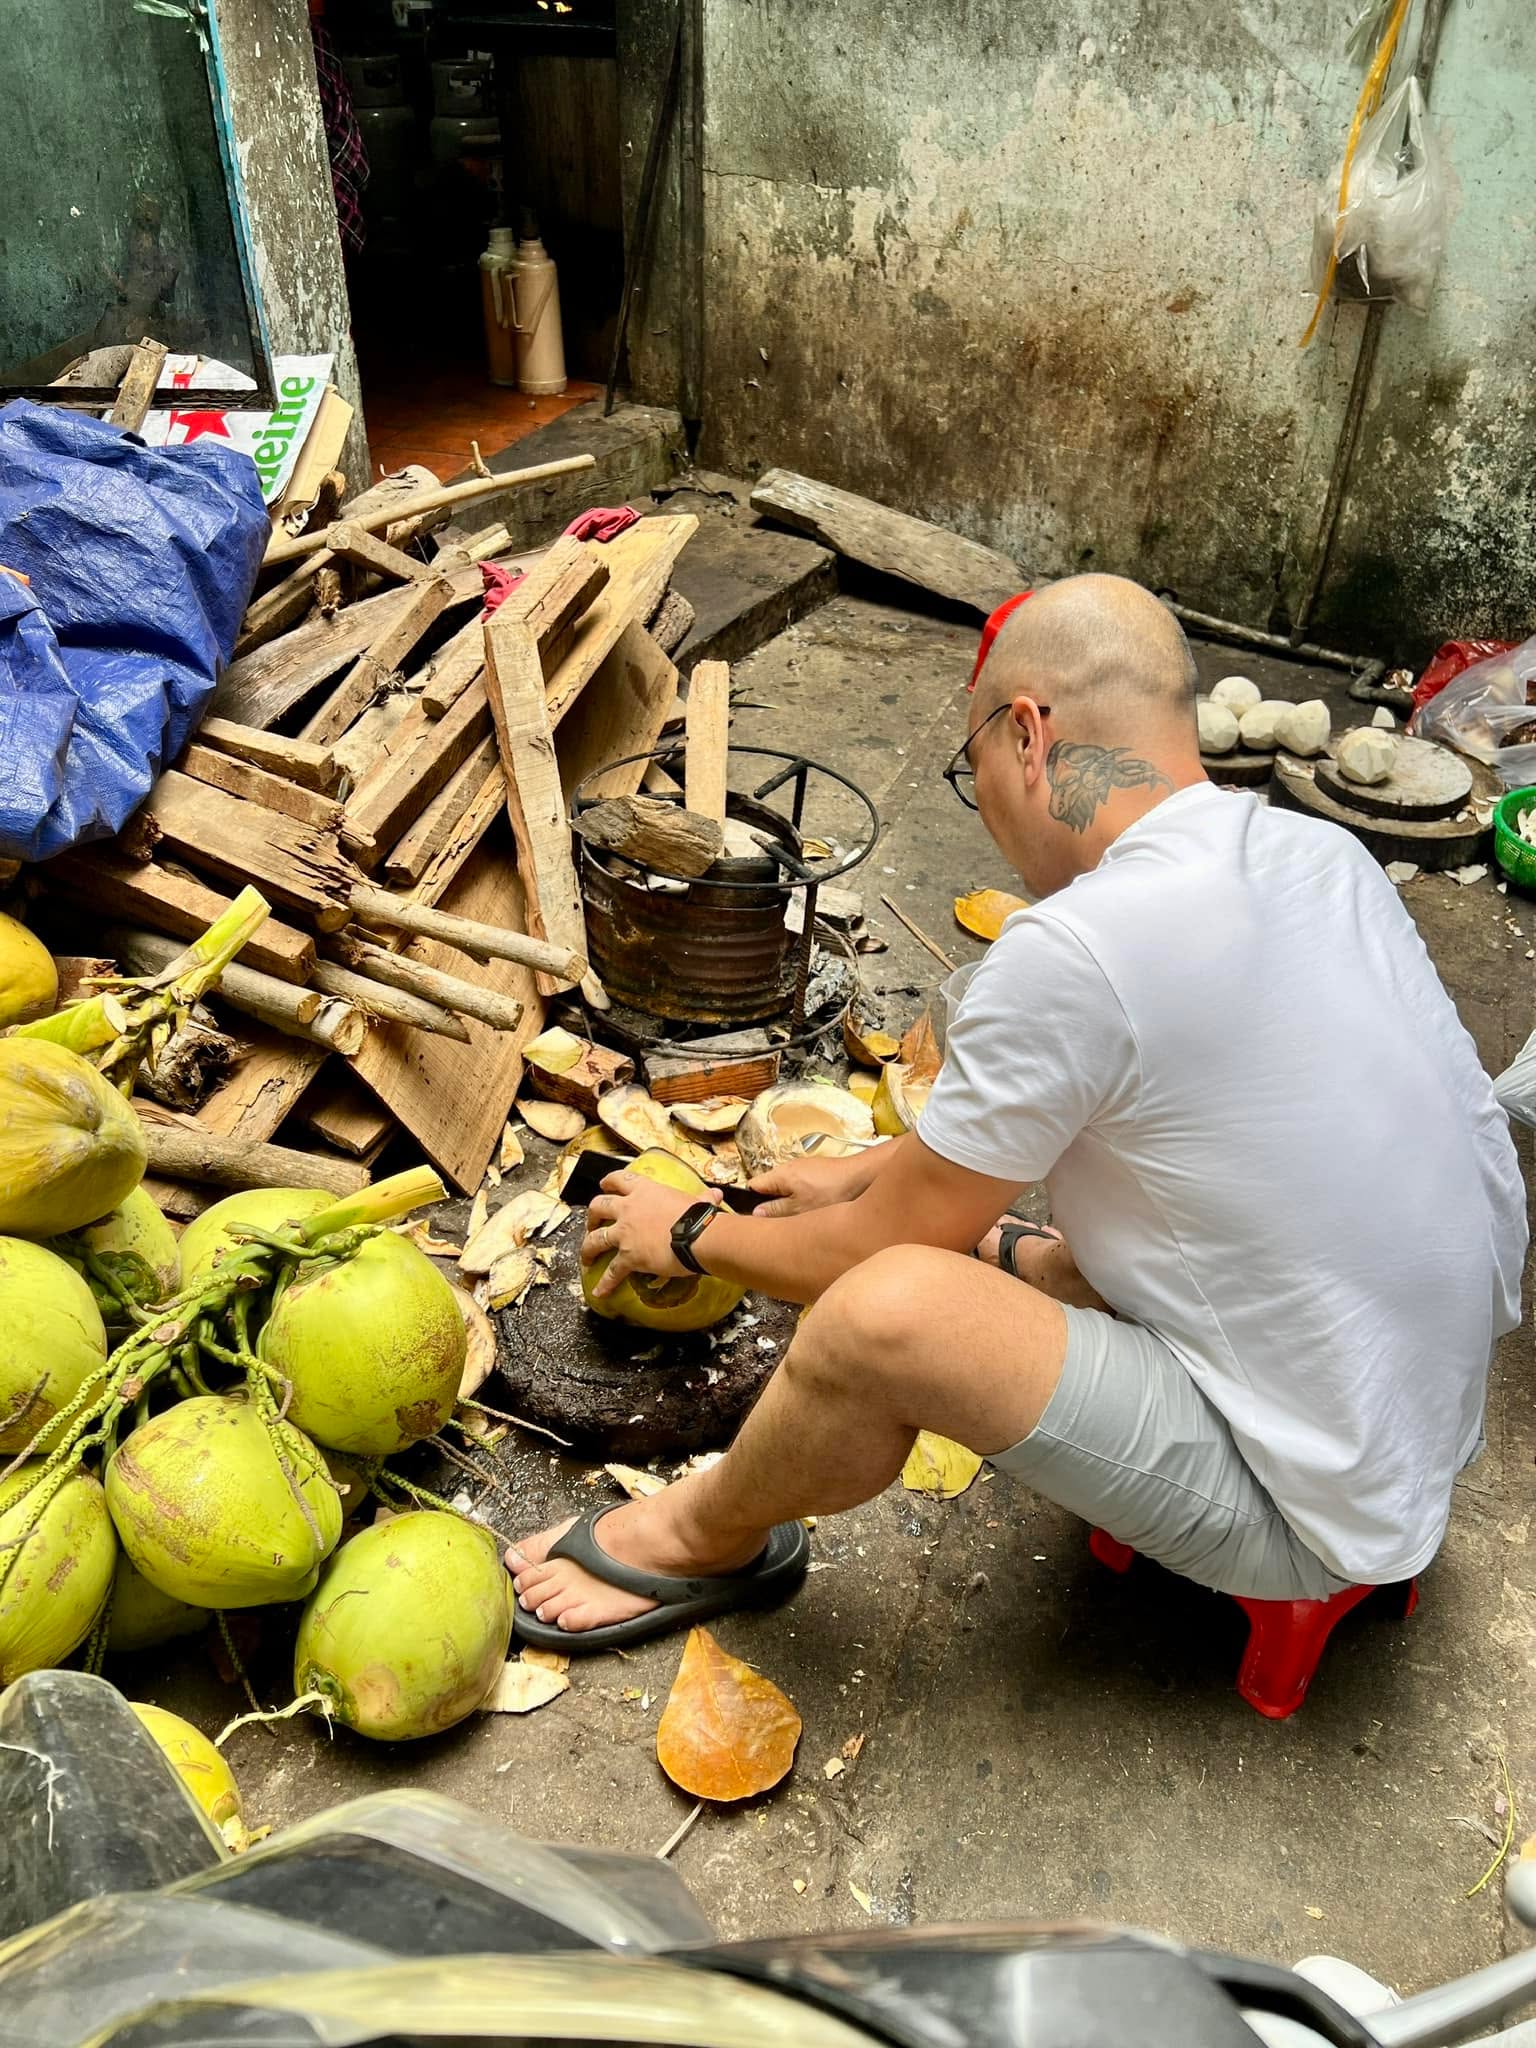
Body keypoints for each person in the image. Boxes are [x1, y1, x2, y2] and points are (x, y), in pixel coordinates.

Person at [507, 574, 1526, 1655]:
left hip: (1317, 1509)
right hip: (1417, 1419)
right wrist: (869, 1173)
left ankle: (697, 1535)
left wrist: (690, 1232)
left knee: (884, 1310)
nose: (983, 805)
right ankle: (1013, 1264)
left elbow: (865, 1258)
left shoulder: (1078, 948)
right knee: (1094, 1199)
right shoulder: (1318, 854)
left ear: (1029, 734)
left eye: (974, 763)